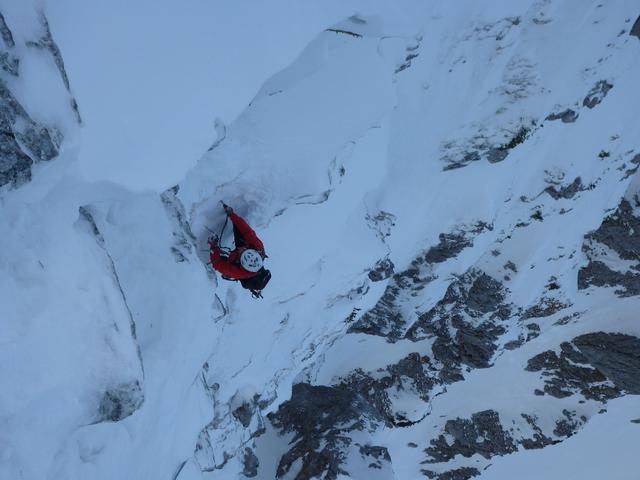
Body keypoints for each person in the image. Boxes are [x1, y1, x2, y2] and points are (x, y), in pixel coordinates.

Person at [208, 204, 271, 296]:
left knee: (224, 263)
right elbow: (246, 230)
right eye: (244, 250)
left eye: (241, 253)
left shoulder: (238, 272)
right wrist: (232, 215)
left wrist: (213, 246)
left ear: (241, 263)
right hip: (243, 253)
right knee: (240, 233)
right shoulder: (258, 247)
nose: (241, 249)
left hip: (235, 266)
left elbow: (217, 264)